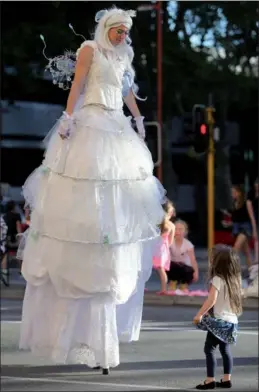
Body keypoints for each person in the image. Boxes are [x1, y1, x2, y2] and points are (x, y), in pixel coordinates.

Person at [17, 7, 166, 374]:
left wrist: (138, 117)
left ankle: (102, 323)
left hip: (117, 127)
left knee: (118, 207)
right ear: (106, 28)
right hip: (93, 122)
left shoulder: (123, 56)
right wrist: (68, 119)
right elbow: (79, 86)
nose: (120, 36)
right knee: (83, 195)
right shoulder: (90, 49)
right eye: (116, 30)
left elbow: (128, 91)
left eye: (124, 32)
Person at [193, 244, 242, 390]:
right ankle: (227, 379)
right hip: (231, 321)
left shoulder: (217, 279)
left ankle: (210, 380)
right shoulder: (235, 279)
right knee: (225, 350)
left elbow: (211, 300)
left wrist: (199, 314)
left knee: (209, 349)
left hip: (219, 321)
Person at [167, 220, 199, 292]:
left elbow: (193, 260)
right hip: (173, 267)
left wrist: (196, 272)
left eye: (180, 229)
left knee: (189, 269)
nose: (178, 231)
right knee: (171, 265)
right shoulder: (169, 242)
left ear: (185, 232)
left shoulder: (188, 244)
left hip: (184, 269)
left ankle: (184, 285)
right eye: (176, 229)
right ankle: (172, 282)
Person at [152, 200, 175, 294]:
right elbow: (170, 241)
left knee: (146, 267)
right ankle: (163, 289)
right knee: (161, 269)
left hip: (154, 247)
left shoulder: (155, 223)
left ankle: (139, 287)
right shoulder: (171, 225)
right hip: (162, 249)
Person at [230, 185, 255, 269]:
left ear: (240, 193)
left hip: (245, 228)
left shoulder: (245, 203)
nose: (232, 194)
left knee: (235, 249)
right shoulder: (234, 203)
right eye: (232, 192)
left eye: (234, 192)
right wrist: (229, 223)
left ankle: (231, 271)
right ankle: (251, 271)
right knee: (247, 252)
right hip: (237, 228)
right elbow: (235, 219)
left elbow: (251, 216)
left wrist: (254, 230)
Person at [246, 178, 258, 264]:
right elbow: (250, 212)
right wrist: (254, 227)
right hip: (255, 219)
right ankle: (256, 261)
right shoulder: (251, 195)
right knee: (256, 239)